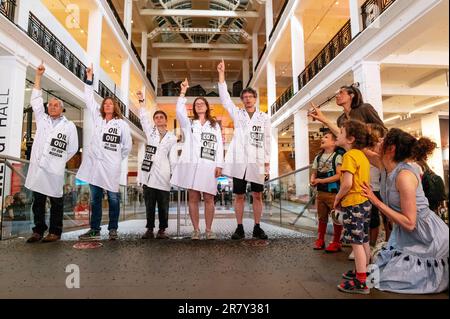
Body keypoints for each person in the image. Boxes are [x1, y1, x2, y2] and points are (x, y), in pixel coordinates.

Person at [362, 128, 449, 294]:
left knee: (383, 280)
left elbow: (410, 223)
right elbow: (358, 148)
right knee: (376, 276)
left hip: (427, 237)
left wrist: (375, 201)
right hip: (407, 236)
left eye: (383, 139)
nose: (378, 141)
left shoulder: (404, 176)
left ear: (391, 148)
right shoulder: (384, 165)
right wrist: (328, 122)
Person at [76, 63, 132, 241]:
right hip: (95, 165)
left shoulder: (121, 124)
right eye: (105, 104)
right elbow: (88, 98)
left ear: (115, 107)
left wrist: (115, 158)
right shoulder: (98, 119)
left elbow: (127, 147)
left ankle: (113, 228)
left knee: (114, 198)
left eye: (110, 104)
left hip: (111, 166)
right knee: (95, 199)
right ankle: (95, 229)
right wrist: (89, 79)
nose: (107, 106)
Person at [25, 62, 79, 243]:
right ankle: (38, 231)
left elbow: (72, 148)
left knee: (56, 201)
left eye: (56, 105)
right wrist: (38, 76)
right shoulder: (42, 119)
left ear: (62, 108)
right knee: (37, 201)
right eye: (51, 105)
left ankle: (55, 232)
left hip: (54, 169)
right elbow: (35, 100)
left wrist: (59, 160)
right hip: (38, 166)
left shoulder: (69, 125)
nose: (52, 107)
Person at [217, 59, 270, 240]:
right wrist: (221, 74)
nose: (247, 99)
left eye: (250, 96)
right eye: (244, 97)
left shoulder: (264, 117)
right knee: (238, 196)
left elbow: (268, 139)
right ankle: (239, 227)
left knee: (257, 195)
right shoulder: (237, 114)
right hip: (239, 161)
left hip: (257, 161)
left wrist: (268, 162)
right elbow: (224, 99)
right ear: (242, 100)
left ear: (255, 99)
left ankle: (257, 226)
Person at [170, 78, 224, 240]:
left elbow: (220, 145)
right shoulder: (189, 124)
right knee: (192, 197)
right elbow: (179, 111)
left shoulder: (214, 125)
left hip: (209, 165)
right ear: (194, 108)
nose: (199, 104)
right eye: (197, 103)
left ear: (207, 106)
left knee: (209, 198)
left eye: (202, 103)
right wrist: (183, 91)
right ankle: (195, 230)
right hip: (192, 165)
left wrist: (219, 164)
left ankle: (208, 230)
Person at [334, 120, 375, 294]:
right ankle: (364, 271)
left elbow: (347, 183)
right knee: (364, 239)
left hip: (354, 203)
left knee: (356, 243)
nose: (338, 134)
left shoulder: (348, 156)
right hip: (365, 203)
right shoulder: (362, 156)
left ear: (350, 139)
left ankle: (361, 282)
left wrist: (338, 197)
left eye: (341, 132)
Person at [136, 91, 178, 240]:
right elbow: (143, 119)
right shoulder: (150, 132)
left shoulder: (172, 137)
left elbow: (173, 158)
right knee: (149, 205)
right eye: (156, 117)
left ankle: (162, 230)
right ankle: (149, 229)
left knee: (163, 205)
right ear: (154, 120)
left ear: (166, 120)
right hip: (149, 173)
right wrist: (141, 101)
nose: (159, 119)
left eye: (161, 117)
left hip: (164, 174)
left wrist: (174, 175)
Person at [310, 130, 343, 252]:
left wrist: (320, 181)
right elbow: (314, 172)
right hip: (321, 193)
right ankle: (320, 239)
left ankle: (336, 241)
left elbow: (339, 175)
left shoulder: (337, 157)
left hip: (333, 193)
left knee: (336, 217)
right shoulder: (318, 157)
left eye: (326, 137)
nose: (322, 138)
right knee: (322, 217)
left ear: (334, 142)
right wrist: (313, 180)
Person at [309, 85, 385, 137]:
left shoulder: (365, 108)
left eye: (341, 92)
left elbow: (382, 130)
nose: (337, 96)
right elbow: (341, 135)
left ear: (351, 95)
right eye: (337, 93)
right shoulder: (340, 119)